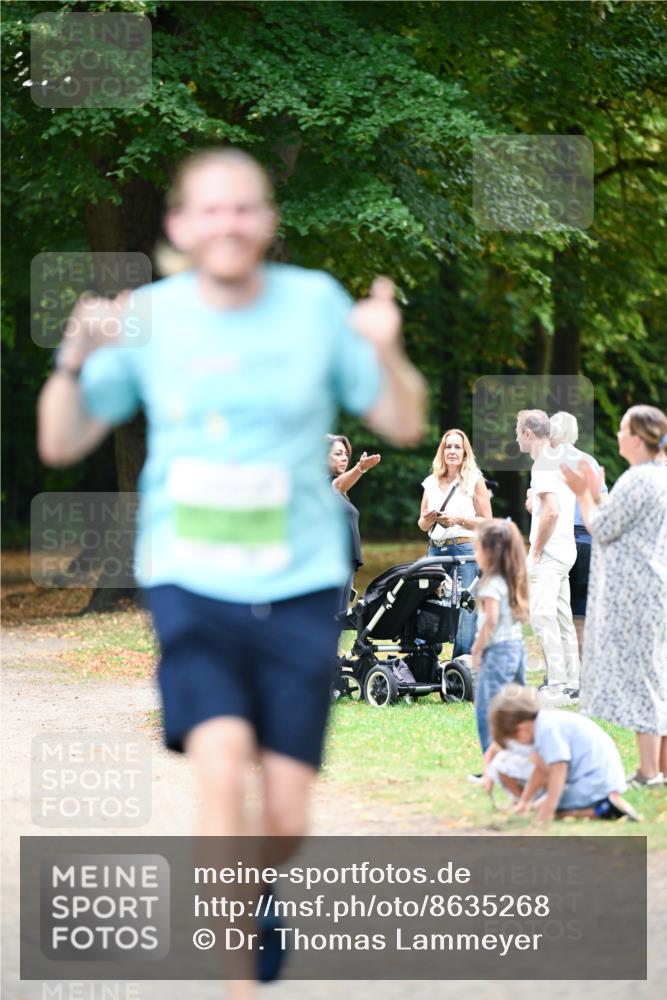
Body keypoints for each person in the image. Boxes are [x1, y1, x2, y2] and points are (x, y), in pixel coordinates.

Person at [37, 147, 426, 993]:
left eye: (244, 206)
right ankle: (236, 982)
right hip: (190, 576)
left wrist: (386, 350)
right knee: (220, 776)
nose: (227, 222)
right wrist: (74, 353)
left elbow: (400, 420)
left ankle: (259, 889)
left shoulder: (315, 307)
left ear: (267, 221)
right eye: (208, 209)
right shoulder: (150, 317)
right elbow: (61, 441)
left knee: (281, 819)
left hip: (300, 580)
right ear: (179, 225)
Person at [561, 404, 667, 789]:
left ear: (637, 438)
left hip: (637, 594)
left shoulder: (637, 479)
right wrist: (594, 493)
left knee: (644, 680)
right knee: (657, 676)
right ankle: (661, 769)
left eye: (623, 429)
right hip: (656, 590)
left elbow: (601, 528)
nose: (618, 435)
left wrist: (582, 493)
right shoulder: (660, 476)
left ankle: (648, 772)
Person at [487, 684, 639, 822]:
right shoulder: (545, 722)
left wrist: (549, 807)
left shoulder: (548, 730)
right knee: (539, 802)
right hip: (597, 780)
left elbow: (558, 769)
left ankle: (602, 810)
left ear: (521, 730)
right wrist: (525, 801)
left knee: (543, 805)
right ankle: (601, 804)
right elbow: (540, 769)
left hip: (594, 783)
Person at [516, 409, 580, 700]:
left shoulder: (542, 465)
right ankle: (573, 684)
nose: (516, 438)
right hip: (567, 549)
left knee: (542, 617)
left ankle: (556, 685)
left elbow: (552, 512)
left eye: (518, 432)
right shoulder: (558, 462)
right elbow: (551, 507)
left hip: (551, 553)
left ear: (528, 434)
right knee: (562, 618)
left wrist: (537, 550)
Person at [418, 428, 492, 656]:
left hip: (465, 551)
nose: (452, 451)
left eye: (457, 447)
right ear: (442, 451)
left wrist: (457, 520)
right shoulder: (430, 482)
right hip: (435, 550)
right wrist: (428, 519)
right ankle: (424, 662)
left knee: (466, 608)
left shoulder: (474, 481)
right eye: (447, 446)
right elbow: (421, 524)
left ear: (465, 452)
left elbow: (487, 522)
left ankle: (460, 670)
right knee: (428, 604)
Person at [548, 411, 608, 659]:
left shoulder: (545, 463)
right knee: (580, 608)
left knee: (553, 609)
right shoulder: (588, 462)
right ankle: (583, 672)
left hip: (557, 541)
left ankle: (560, 672)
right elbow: (602, 501)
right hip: (586, 542)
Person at [470, 519, 529, 754]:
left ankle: (493, 763)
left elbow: (491, 621)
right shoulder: (511, 579)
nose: (474, 554)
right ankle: (521, 756)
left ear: (491, 552)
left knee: (488, 709)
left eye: (477, 549)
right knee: (517, 706)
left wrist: (477, 648)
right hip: (517, 648)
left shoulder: (490, 584)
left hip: (497, 653)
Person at [327, 434, 380, 612]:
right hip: (330, 562)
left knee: (336, 621)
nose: (344, 458)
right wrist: (360, 468)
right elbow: (337, 485)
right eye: (338, 454)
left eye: (346, 455)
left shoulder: (340, 489)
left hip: (345, 563)